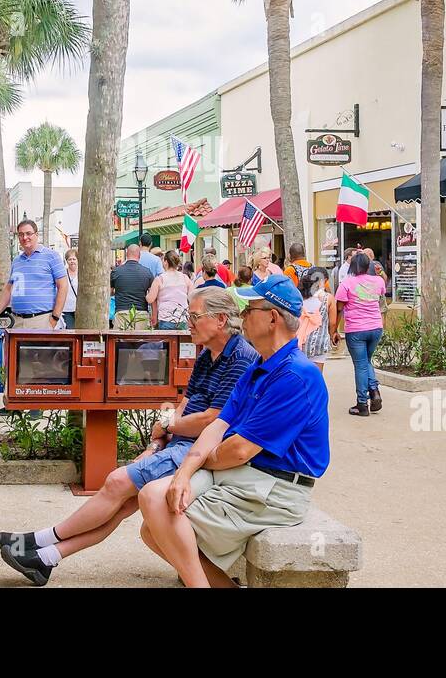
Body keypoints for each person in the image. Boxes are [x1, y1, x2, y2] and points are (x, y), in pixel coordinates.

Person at [0, 286, 254, 585]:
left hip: (201, 451)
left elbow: (211, 420)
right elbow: (184, 403)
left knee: (118, 482)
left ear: (221, 319)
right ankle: (45, 557)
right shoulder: (209, 353)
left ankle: (39, 542)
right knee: (122, 503)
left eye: (194, 316)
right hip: (180, 442)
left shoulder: (240, 358)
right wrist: (156, 442)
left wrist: (167, 427)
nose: (188, 323)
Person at [136, 273, 329, 588]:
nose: (242, 316)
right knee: (153, 514)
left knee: (159, 523)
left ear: (272, 318)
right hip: (242, 474)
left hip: (275, 487)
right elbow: (218, 425)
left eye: (249, 309)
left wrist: (200, 459)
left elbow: (240, 449)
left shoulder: (296, 376)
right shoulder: (259, 366)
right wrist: (185, 472)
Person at [0, 220, 67, 329]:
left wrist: (55, 317)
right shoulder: (17, 261)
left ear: (36, 234)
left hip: (43, 320)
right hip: (17, 322)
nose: (25, 237)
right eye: (21, 234)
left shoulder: (52, 256)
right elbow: (9, 289)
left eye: (28, 233)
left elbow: (63, 286)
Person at [335, 252, 385, 416]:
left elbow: (339, 309)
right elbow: (381, 294)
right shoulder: (378, 281)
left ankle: (362, 404)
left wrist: (333, 330)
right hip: (376, 328)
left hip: (356, 329)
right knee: (366, 361)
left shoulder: (346, 283)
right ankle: (374, 391)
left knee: (361, 365)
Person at [296, 267, 336, 371]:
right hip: (320, 341)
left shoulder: (298, 297)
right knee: (317, 375)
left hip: (300, 340)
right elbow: (332, 323)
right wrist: (332, 335)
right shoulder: (328, 298)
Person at [110, 243, 154, 330]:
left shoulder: (116, 271)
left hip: (121, 313)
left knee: (120, 342)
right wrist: (154, 315)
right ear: (139, 255)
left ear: (126, 254)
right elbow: (152, 298)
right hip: (141, 313)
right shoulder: (147, 272)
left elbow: (110, 292)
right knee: (140, 342)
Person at [148, 249, 191, 329]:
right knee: (181, 341)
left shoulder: (160, 279)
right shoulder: (185, 278)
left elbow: (150, 299)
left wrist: (147, 293)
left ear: (166, 262)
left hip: (166, 318)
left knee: (167, 341)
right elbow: (192, 296)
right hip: (182, 317)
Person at [61, 248, 79, 329]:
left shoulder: (82, 273)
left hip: (79, 308)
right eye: (69, 259)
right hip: (66, 309)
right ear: (66, 261)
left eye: (74, 259)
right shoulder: (63, 274)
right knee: (70, 330)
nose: (72, 261)